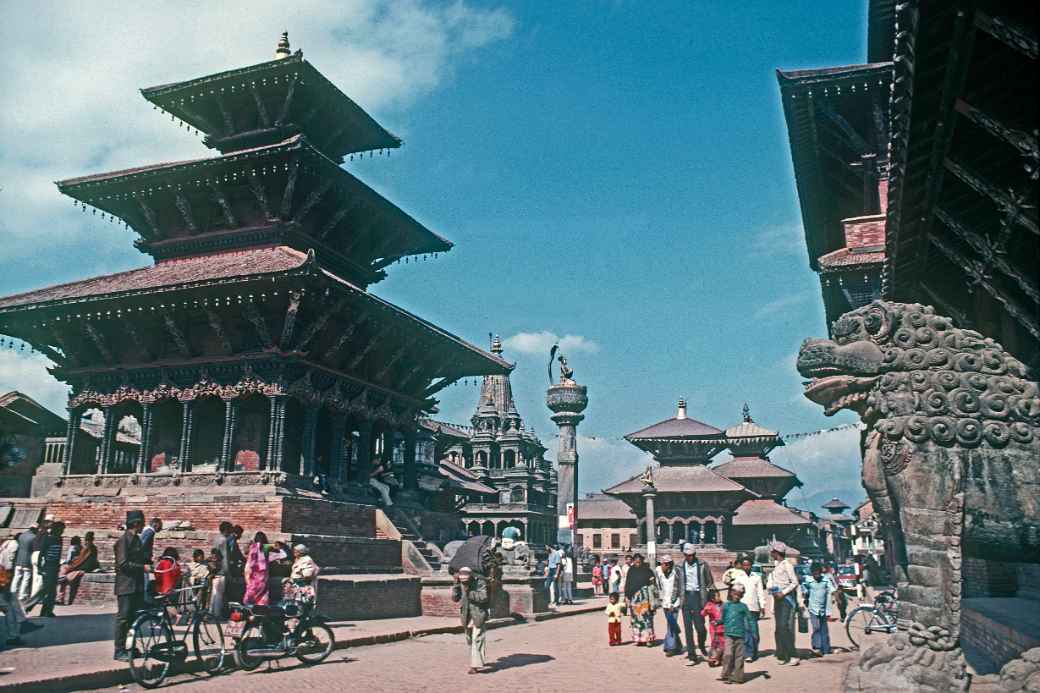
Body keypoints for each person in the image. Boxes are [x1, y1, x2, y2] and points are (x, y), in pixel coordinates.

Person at [114, 510, 150, 661]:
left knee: (133, 618)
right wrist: (142, 567)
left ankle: (130, 647)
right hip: (126, 586)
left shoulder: (137, 540)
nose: (143, 526)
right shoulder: (124, 540)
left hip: (136, 586)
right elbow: (122, 563)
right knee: (123, 619)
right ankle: (119, 650)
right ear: (136, 523)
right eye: (142, 523)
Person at [676, 543, 715, 666]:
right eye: (687, 556)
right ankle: (692, 655)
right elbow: (676, 585)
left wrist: (713, 598)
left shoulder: (703, 565)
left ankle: (702, 644)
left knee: (700, 627)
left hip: (699, 597)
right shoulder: (679, 566)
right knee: (688, 628)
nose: (690, 558)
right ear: (684, 555)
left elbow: (710, 582)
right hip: (686, 597)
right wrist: (673, 600)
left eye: (692, 555)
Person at [452, 566, 490, 674]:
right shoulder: (460, 583)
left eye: (466, 581)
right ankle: (478, 659)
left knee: (477, 638)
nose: (464, 583)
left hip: (478, 613)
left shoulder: (480, 582)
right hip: (466, 614)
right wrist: (456, 586)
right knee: (469, 639)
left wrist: (470, 593)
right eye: (462, 581)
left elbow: (483, 597)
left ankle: (475, 665)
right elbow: (455, 598)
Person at [767, 542, 800, 666]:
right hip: (777, 599)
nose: (771, 554)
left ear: (777, 552)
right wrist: (773, 591)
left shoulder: (787, 565)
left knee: (784, 627)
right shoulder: (776, 565)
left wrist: (783, 593)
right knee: (778, 629)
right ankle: (783, 654)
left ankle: (793, 655)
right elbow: (773, 583)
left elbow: (794, 582)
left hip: (786, 600)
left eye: (772, 552)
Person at [25, 521, 64, 617]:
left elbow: (58, 555)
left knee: (49, 590)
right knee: (48, 591)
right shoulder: (48, 539)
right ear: (56, 529)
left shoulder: (59, 539)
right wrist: (39, 567)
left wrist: (58, 566)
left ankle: (44, 611)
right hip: (48, 567)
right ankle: (28, 607)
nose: (62, 531)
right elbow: (41, 553)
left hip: (55, 567)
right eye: (61, 529)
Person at [731, 557, 766, 662]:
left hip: (754, 607)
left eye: (748, 565)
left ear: (751, 565)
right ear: (742, 566)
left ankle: (754, 651)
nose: (746, 567)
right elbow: (734, 591)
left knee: (754, 631)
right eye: (744, 565)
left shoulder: (756, 577)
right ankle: (748, 653)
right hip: (743, 607)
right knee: (746, 630)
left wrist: (762, 605)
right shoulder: (739, 578)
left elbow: (760, 592)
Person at [720, 583, 752, 685]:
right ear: (731, 593)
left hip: (740, 635)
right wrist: (717, 623)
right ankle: (726, 674)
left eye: (739, 595)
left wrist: (751, 630)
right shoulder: (726, 606)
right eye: (735, 594)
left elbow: (749, 619)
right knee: (728, 654)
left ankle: (738, 677)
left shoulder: (743, 607)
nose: (736, 596)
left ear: (742, 596)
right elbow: (722, 618)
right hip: (728, 634)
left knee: (739, 656)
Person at [623, 553, 656, 646]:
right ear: (633, 561)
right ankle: (639, 638)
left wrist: (653, 598)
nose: (637, 562)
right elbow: (628, 583)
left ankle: (648, 638)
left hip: (645, 598)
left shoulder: (647, 570)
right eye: (636, 560)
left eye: (639, 560)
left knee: (646, 618)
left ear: (642, 560)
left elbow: (652, 584)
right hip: (634, 598)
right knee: (636, 619)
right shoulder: (631, 570)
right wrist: (626, 597)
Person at [58, 531, 99, 605]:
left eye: (86, 540)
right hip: (82, 567)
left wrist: (72, 565)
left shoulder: (88, 548)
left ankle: (60, 598)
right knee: (64, 573)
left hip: (82, 568)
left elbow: (81, 560)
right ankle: (60, 597)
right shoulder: (91, 548)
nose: (85, 542)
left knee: (64, 573)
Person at [802, 564, 835, 655]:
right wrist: (805, 596)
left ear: (820, 573)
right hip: (813, 608)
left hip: (823, 609)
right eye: (814, 574)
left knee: (824, 628)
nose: (816, 576)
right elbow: (804, 589)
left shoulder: (825, 580)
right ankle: (817, 647)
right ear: (812, 573)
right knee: (816, 627)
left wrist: (836, 596)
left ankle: (826, 648)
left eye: (818, 574)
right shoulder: (809, 581)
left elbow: (832, 589)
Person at [655, 554, 683, 656]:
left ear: (667, 565)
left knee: (671, 623)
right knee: (671, 623)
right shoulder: (658, 571)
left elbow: (677, 588)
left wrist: (672, 602)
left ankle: (670, 647)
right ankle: (678, 646)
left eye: (663, 564)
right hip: (664, 602)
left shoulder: (676, 572)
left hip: (674, 602)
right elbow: (659, 586)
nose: (661, 566)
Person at [209, 521, 233, 619]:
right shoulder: (224, 541)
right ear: (226, 530)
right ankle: (217, 614)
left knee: (214, 593)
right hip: (221, 571)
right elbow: (225, 558)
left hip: (214, 569)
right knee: (219, 594)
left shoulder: (216, 539)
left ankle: (211, 612)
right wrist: (228, 572)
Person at [243, 531, 270, 606]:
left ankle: (249, 609)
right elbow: (282, 554)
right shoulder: (266, 547)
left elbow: (246, 554)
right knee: (263, 592)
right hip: (263, 574)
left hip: (253, 573)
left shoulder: (252, 546)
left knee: (251, 591)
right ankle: (261, 608)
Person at [701, 588, 725, 667]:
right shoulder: (709, 605)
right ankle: (713, 659)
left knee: (723, 643)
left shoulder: (723, 604)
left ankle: (721, 659)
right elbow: (702, 614)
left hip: (723, 627)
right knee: (715, 644)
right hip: (714, 629)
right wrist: (705, 610)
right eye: (717, 596)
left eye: (719, 596)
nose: (719, 597)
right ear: (712, 598)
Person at [11, 526, 36, 602]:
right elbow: (34, 549)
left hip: (19, 560)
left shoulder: (21, 536)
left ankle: (12, 593)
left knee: (16, 577)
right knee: (25, 579)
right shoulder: (34, 537)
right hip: (27, 561)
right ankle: (21, 596)